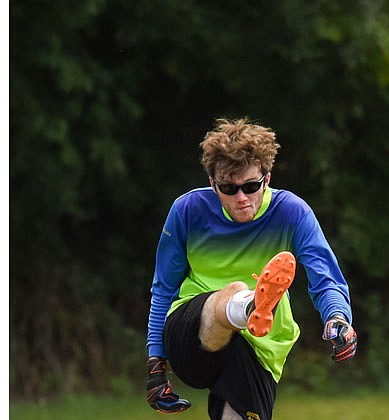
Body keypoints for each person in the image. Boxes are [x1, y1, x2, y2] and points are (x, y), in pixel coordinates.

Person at [144, 117, 358, 420]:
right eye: (229, 189)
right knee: (235, 291)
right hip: (190, 333)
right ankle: (250, 305)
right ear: (212, 184)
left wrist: (338, 318)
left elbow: (325, 278)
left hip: (257, 348)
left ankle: (252, 309)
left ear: (267, 179)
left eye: (251, 186)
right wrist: (156, 366)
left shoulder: (292, 212)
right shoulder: (187, 210)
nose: (241, 198)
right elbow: (163, 289)